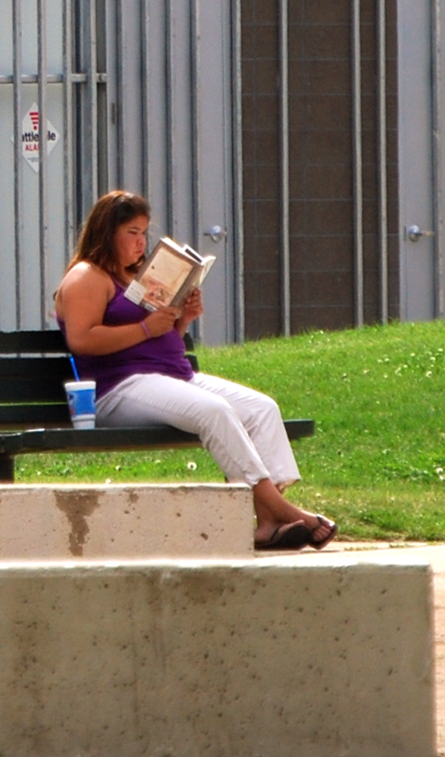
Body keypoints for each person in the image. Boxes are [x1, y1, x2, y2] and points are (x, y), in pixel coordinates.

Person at [53, 188, 334, 551]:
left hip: (173, 377)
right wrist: (145, 328)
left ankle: (268, 521)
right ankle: (280, 509)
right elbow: (82, 339)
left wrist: (182, 319)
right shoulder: (87, 276)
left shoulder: (137, 276)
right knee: (214, 411)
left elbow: (160, 340)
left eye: (144, 233)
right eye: (132, 233)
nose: (141, 243)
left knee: (262, 409)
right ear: (106, 233)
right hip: (120, 388)